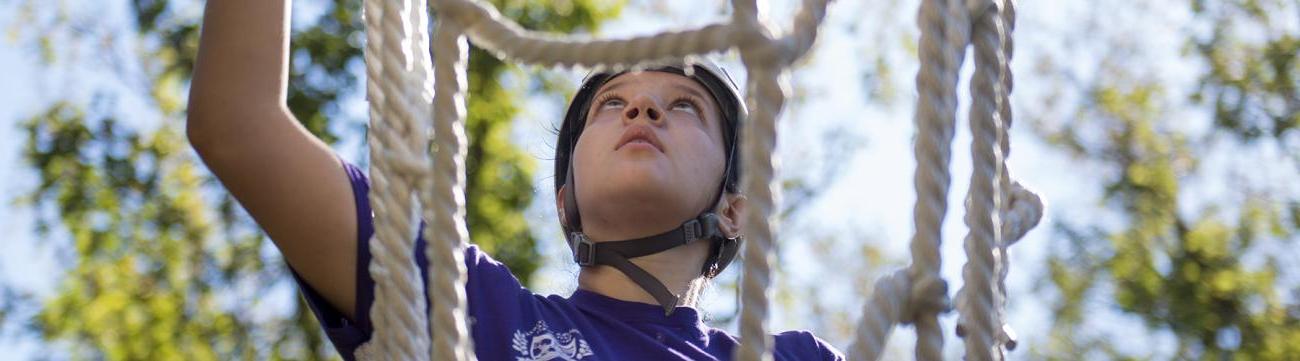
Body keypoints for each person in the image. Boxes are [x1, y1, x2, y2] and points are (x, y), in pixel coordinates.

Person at [187, 1, 844, 360]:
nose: (642, 109)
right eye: (612, 104)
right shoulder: (473, 305)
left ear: (735, 211)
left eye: (684, 107)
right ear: (566, 201)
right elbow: (238, 127)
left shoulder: (790, 360)